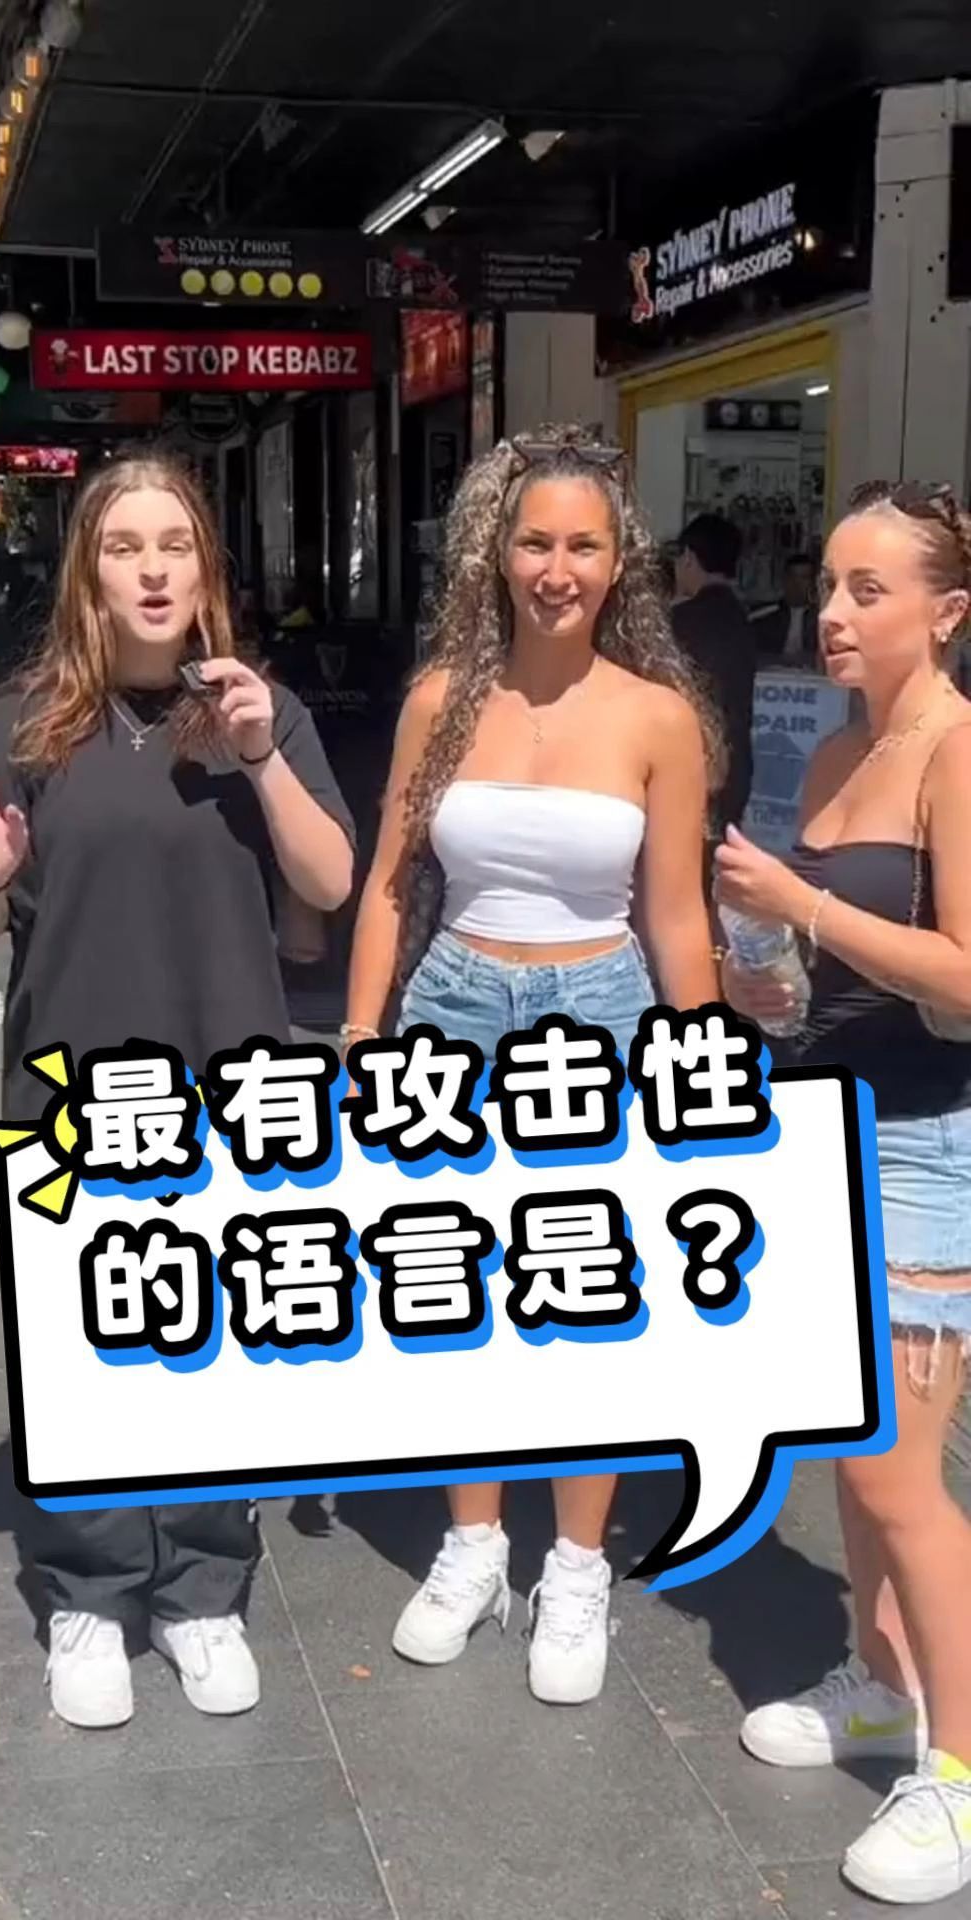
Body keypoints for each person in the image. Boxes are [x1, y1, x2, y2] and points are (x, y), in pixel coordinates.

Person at [0, 450, 355, 1732]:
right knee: (84, 1342)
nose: (152, 571)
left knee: (217, 1336)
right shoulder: (22, 722)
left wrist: (261, 759)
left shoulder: (262, 712)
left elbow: (329, 883)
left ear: (206, 569)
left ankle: (204, 1584)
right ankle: (91, 1592)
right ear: (88, 574)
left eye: (175, 546)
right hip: (72, 1083)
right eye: (124, 547)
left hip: (229, 1082)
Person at [344, 425, 719, 1706]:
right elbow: (391, 885)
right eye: (535, 542)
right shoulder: (439, 700)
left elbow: (677, 916)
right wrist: (361, 1037)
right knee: (457, 1286)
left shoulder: (660, 718)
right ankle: (471, 1545)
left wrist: (706, 1071)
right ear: (495, 556)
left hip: (601, 1015)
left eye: (584, 546)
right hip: (451, 1006)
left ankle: (574, 1566)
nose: (557, 568)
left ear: (620, 564)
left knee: (581, 1294)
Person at [714, 479, 971, 1906]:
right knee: (851, 1447)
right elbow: (815, 968)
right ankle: (881, 1682)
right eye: (829, 584)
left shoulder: (957, 752)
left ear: (948, 612)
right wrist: (763, 969)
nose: (834, 612)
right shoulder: (830, 754)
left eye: (870, 591)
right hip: (820, 1125)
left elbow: (968, 979)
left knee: (896, 1474)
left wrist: (800, 906)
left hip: (924, 1140)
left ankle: (961, 1773)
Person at [672, 513, 757, 845]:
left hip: (691, 766)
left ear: (689, 557)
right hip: (736, 766)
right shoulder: (742, 619)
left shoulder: (681, 621)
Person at [749, 552, 820, 661]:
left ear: (813, 583)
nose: (797, 584)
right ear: (784, 580)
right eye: (792, 577)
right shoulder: (764, 616)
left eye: (804, 578)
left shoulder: (821, 618)